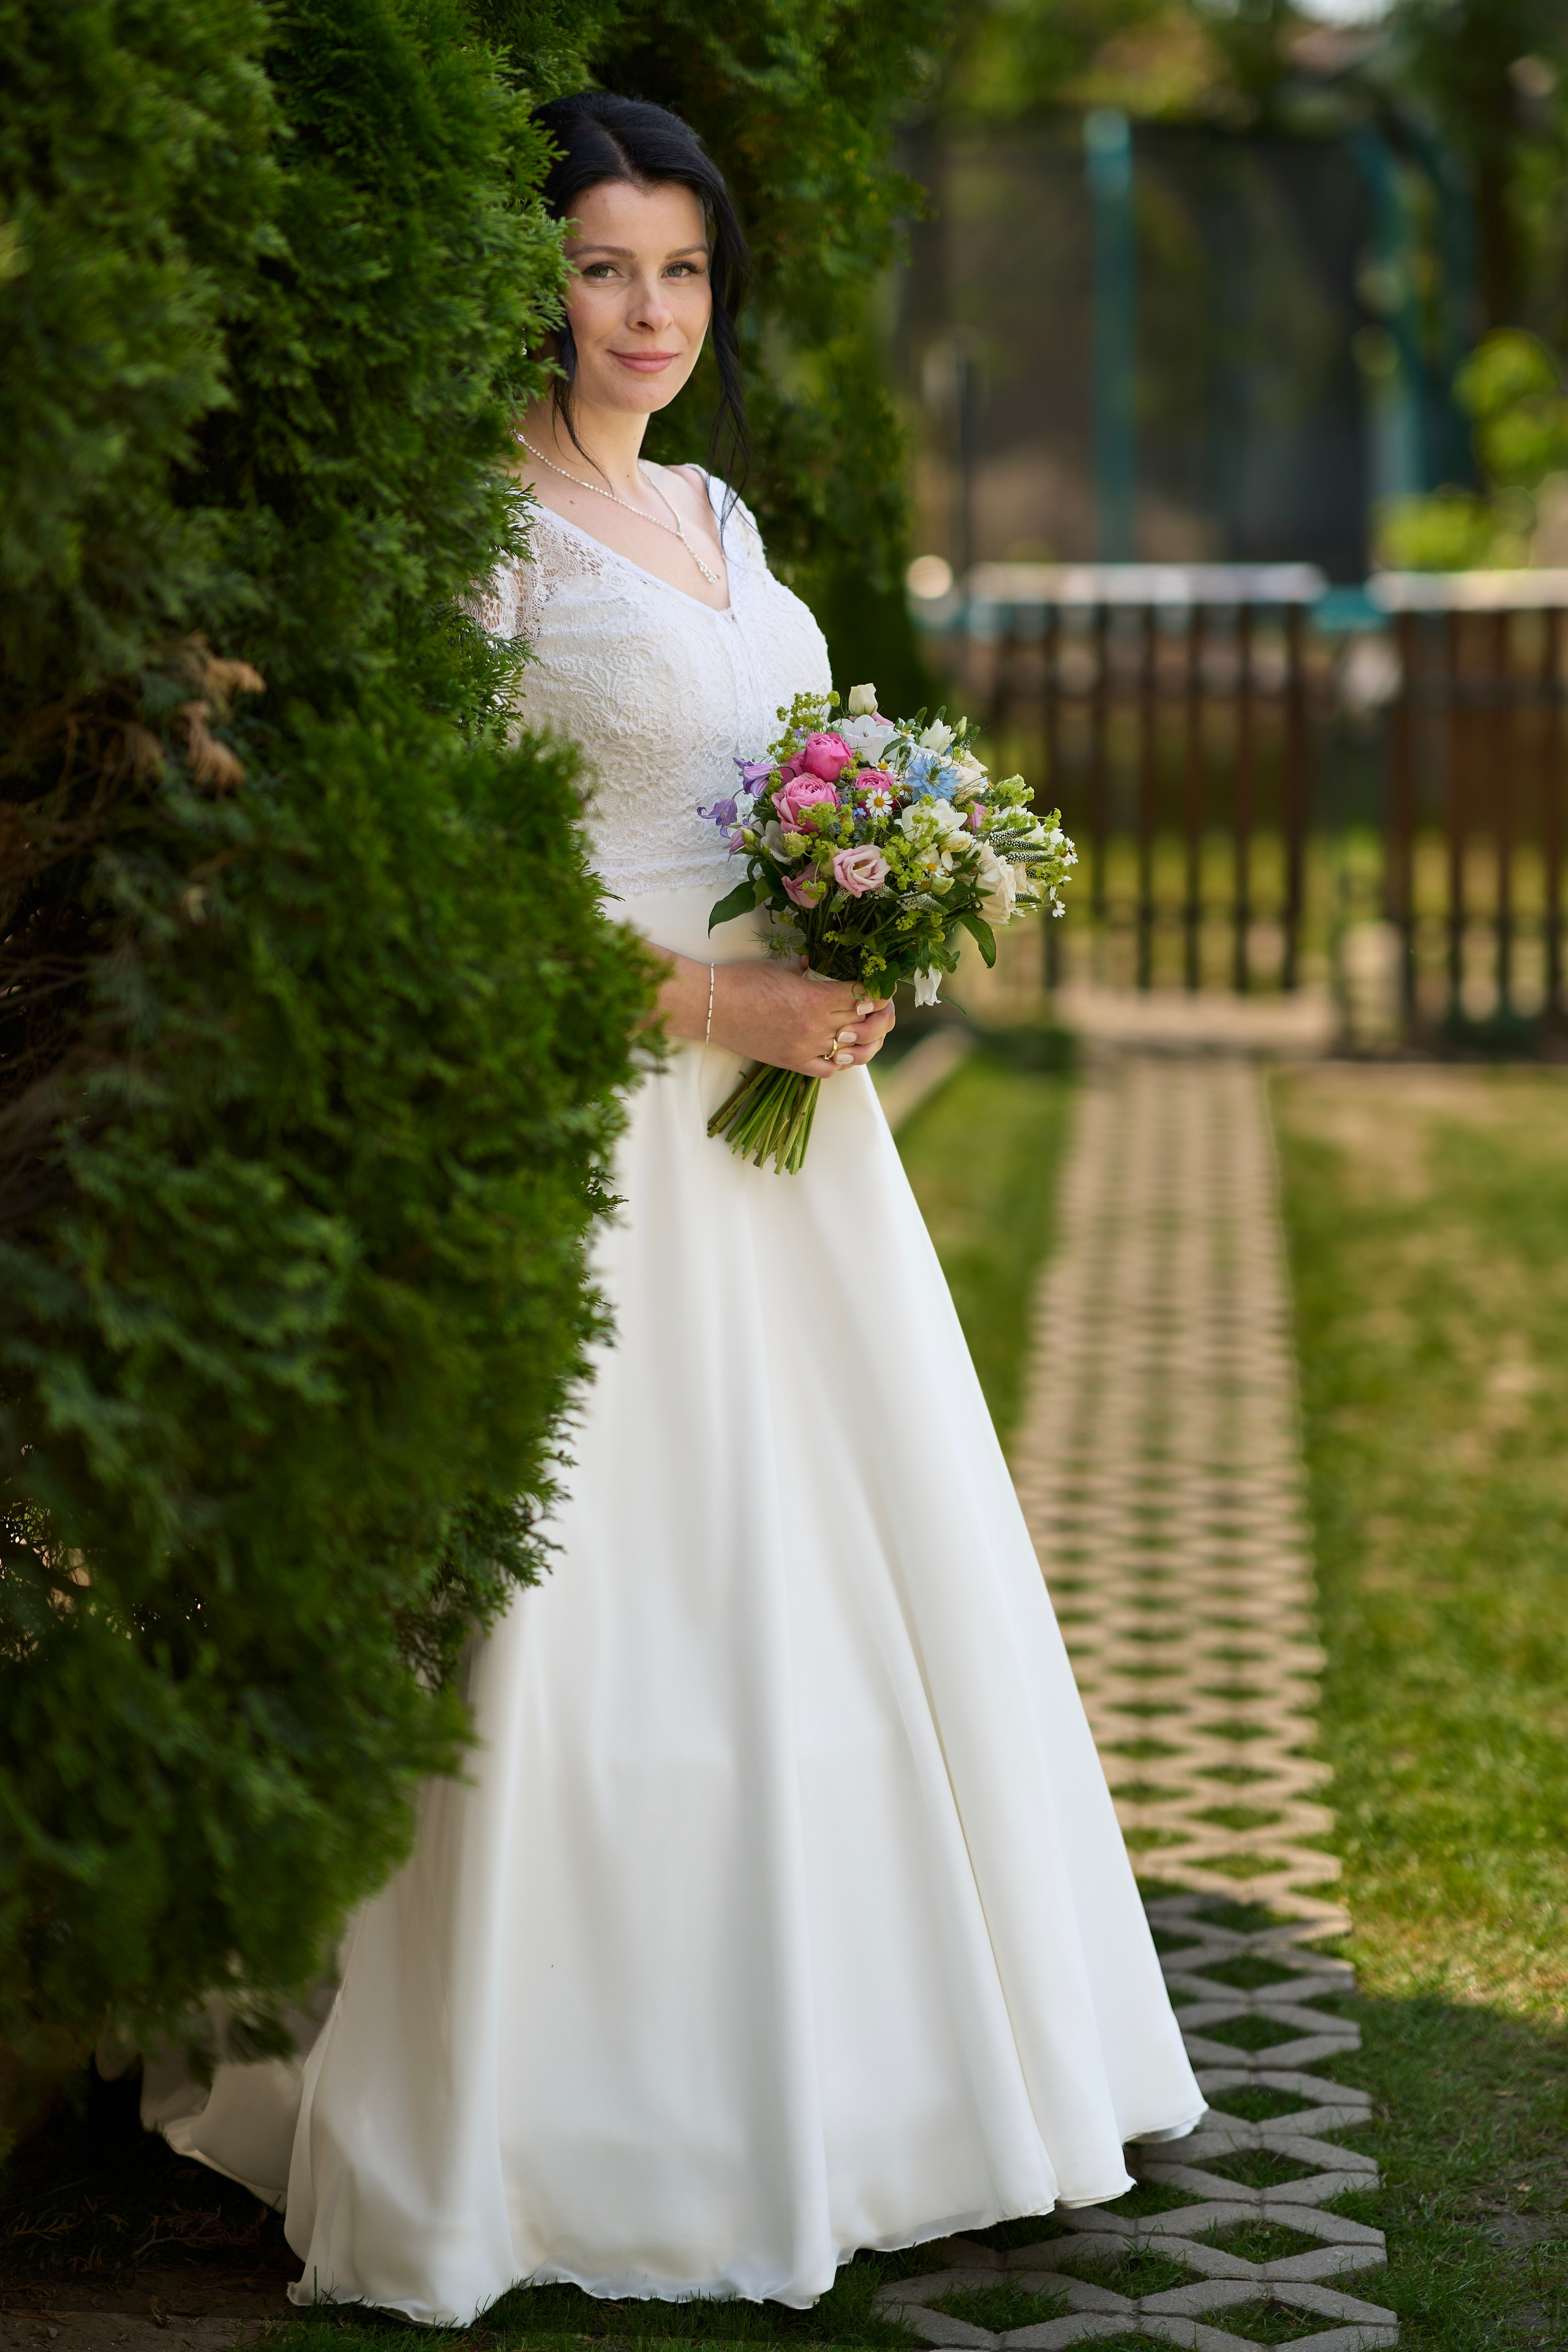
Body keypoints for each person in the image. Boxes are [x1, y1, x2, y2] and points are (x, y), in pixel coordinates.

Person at [150, 91, 1202, 2325]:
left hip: (791, 1141)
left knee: (828, 1586)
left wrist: (860, 945)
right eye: (605, 267)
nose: (650, 312)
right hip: (593, 1113)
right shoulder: (481, 534)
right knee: (594, 1597)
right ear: (538, 285)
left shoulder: (721, 512)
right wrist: (722, 996)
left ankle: (894, 2078)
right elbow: (461, 871)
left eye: (684, 270)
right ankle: (565, 2113)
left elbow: (775, 797)